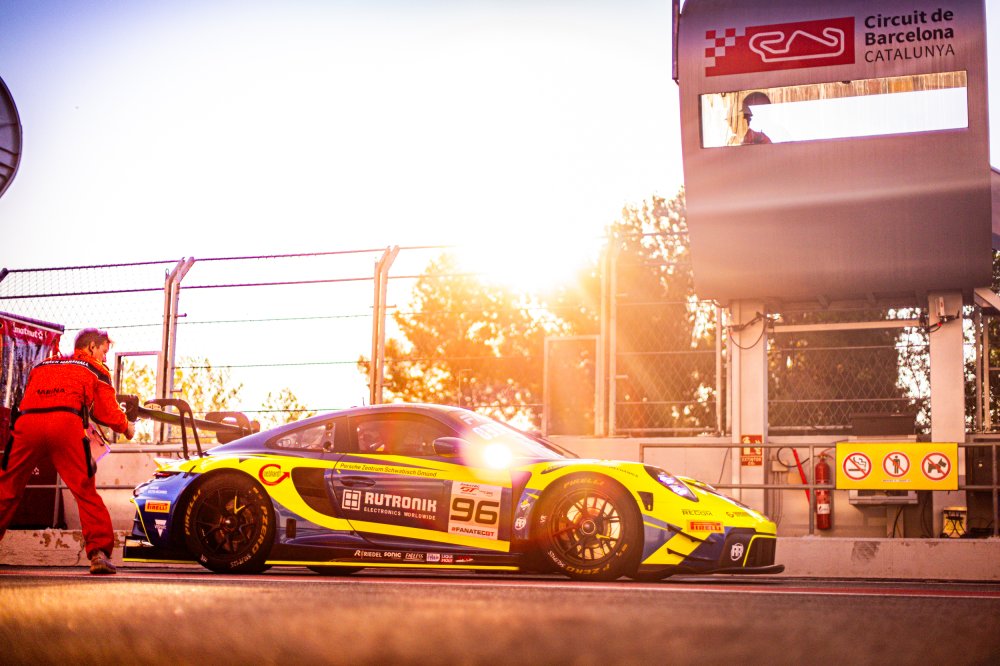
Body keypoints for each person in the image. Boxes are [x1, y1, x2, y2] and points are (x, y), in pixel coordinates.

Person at [0, 328, 135, 574]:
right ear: (92, 347)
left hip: (26, 423)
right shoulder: (95, 368)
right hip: (65, 423)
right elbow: (107, 412)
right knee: (84, 490)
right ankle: (99, 553)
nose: (105, 357)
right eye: (104, 351)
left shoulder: (43, 365)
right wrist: (127, 427)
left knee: (6, 487)